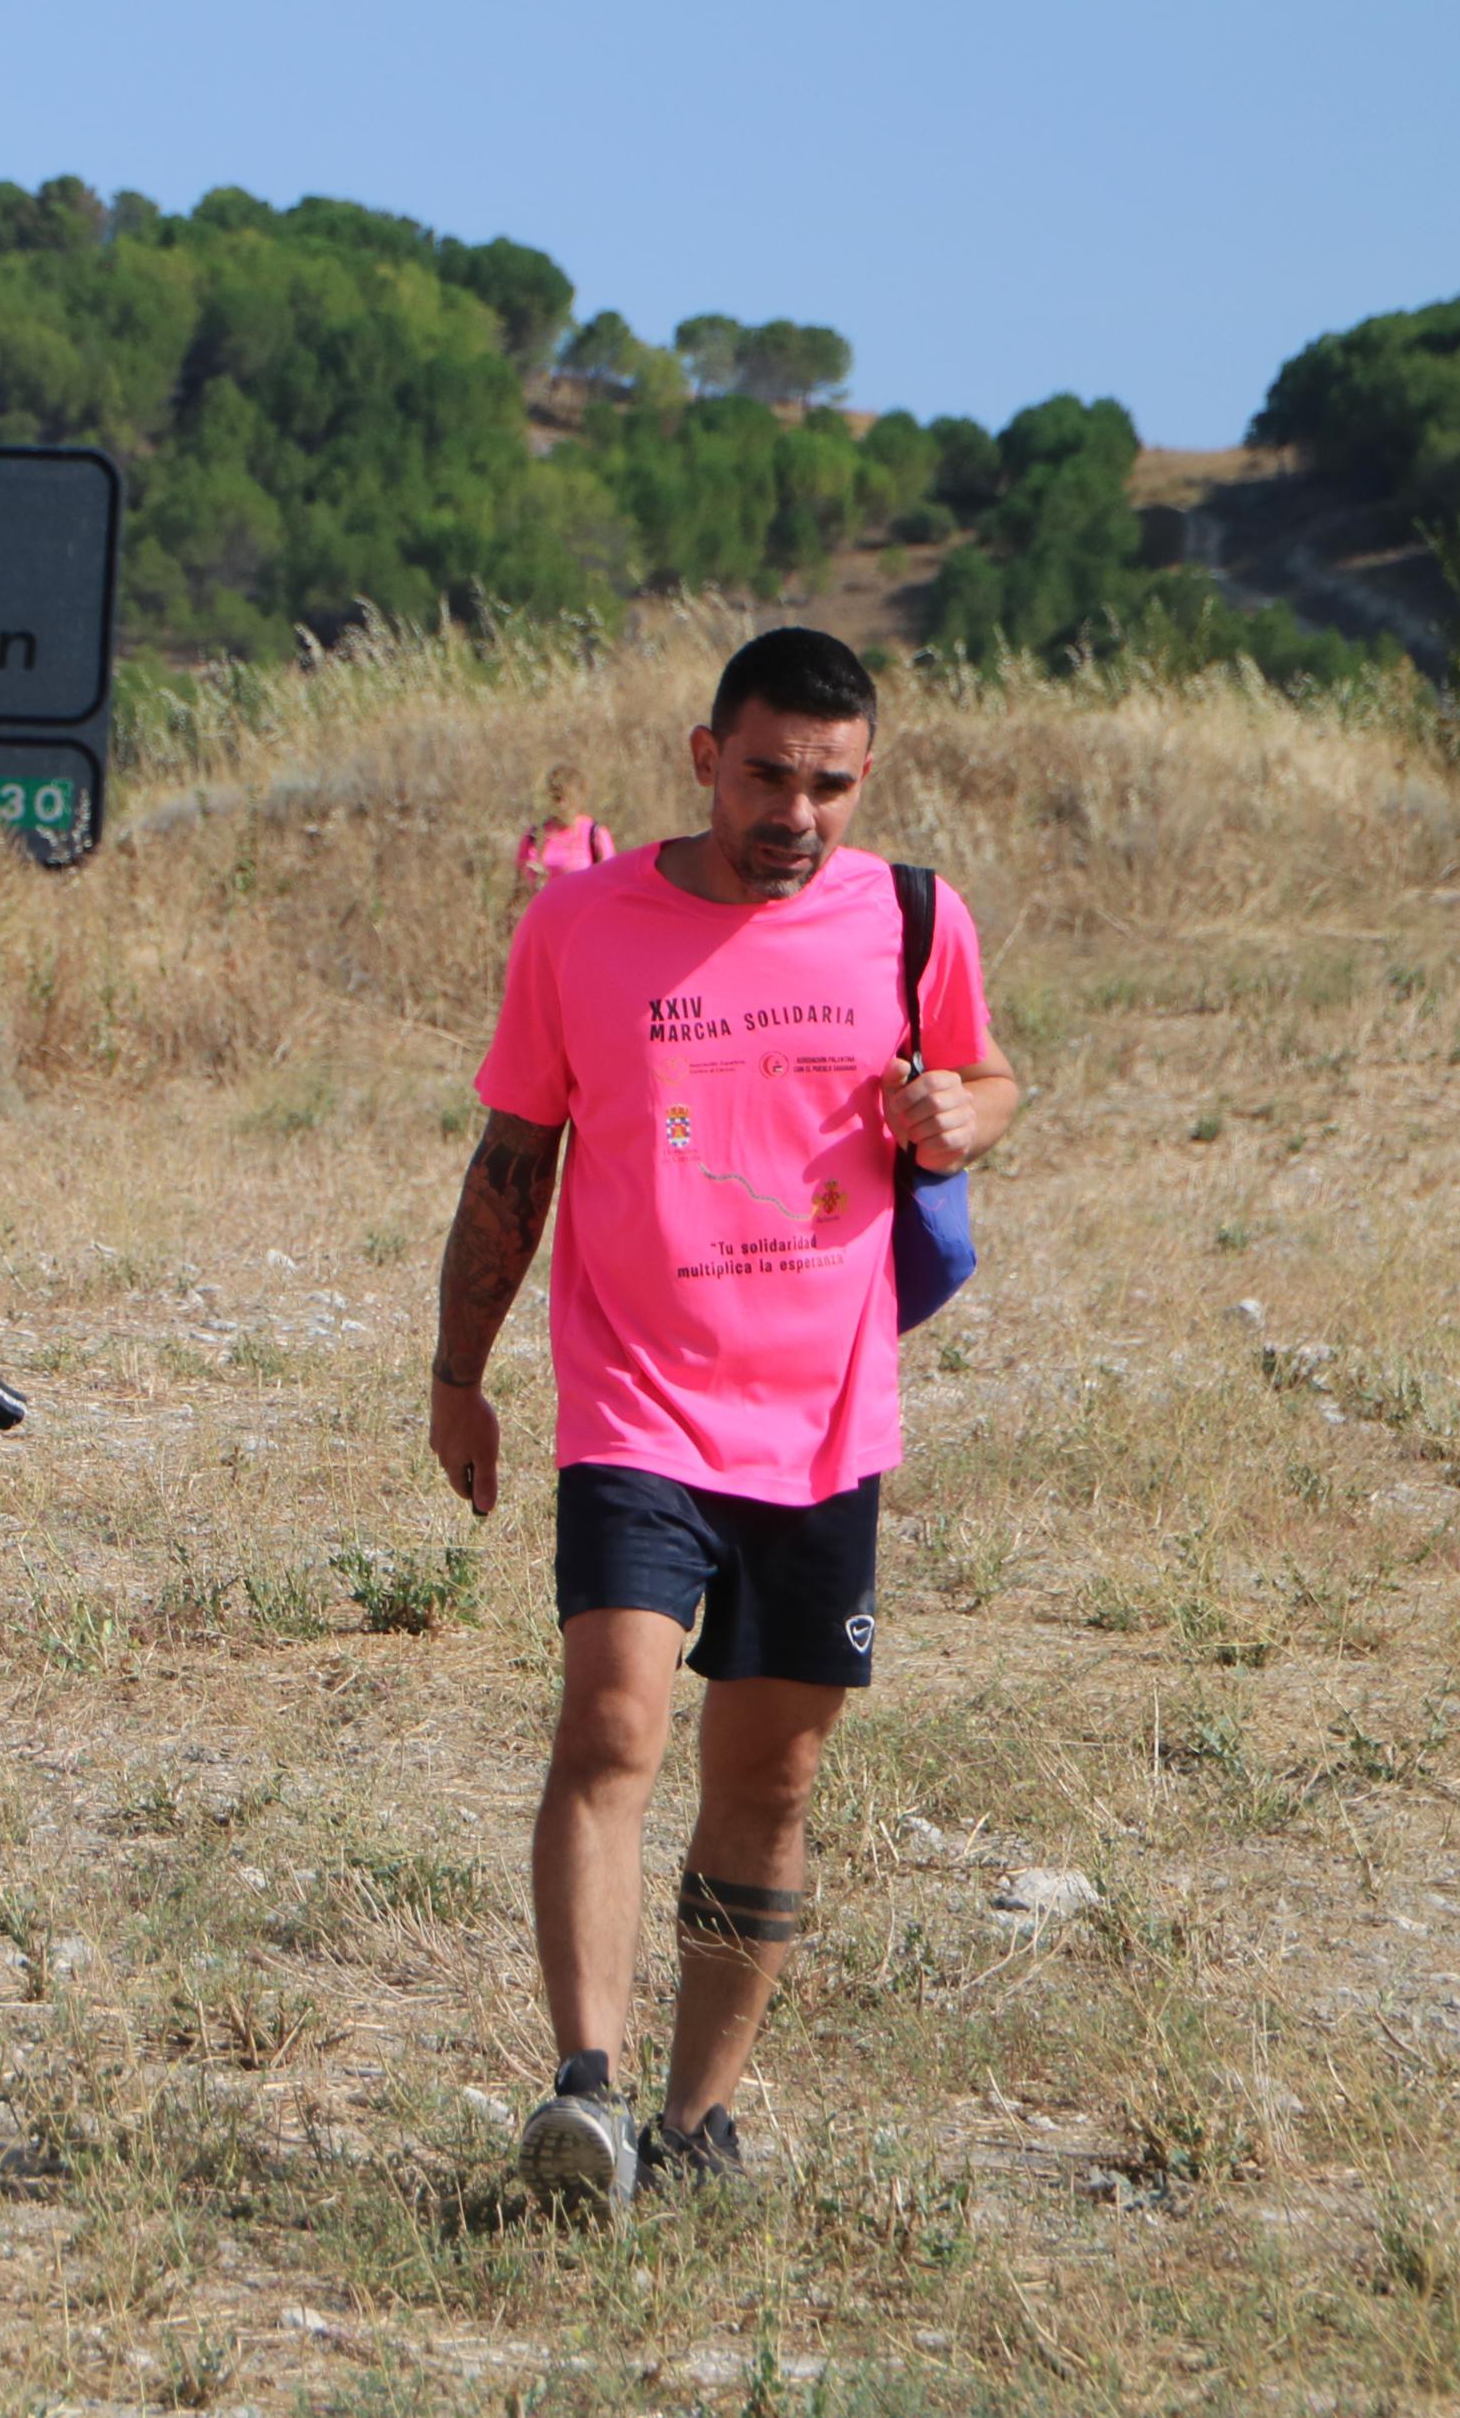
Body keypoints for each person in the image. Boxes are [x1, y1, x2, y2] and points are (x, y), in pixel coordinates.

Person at [426, 625, 1018, 2213]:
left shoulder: (907, 915)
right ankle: (584, 2093)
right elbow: (511, 1160)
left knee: (766, 1779)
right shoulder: (578, 924)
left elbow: (981, 1074)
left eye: (827, 783)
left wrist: (967, 1113)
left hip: (821, 1416)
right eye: (765, 774)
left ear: (861, 778)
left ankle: (696, 2123)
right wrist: (455, 1370)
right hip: (632, 1396)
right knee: (610, 1719)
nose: (794, 812)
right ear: (702, 756)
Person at [517, 763, 613, 888]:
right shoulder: (534, 836)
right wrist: (535, 883)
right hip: (545, 905)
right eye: (556, 798)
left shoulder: (594, 835)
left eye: (567, 798)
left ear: (579, 798)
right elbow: (519, 891)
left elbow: (609, 885)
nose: (561, 805)